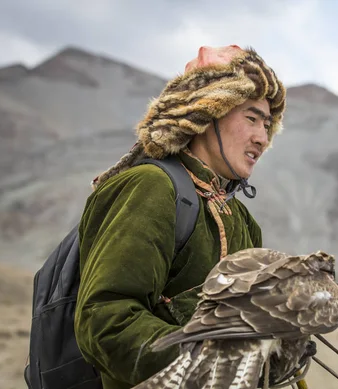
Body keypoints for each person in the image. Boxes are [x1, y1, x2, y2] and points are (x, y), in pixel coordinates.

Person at [74, 45, 287, 389]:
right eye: (251, 118)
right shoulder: (150, 187)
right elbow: (105, 321)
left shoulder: (242, 220)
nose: (262, 137)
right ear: (207, 113)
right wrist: (210, 365)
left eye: (267, 123)